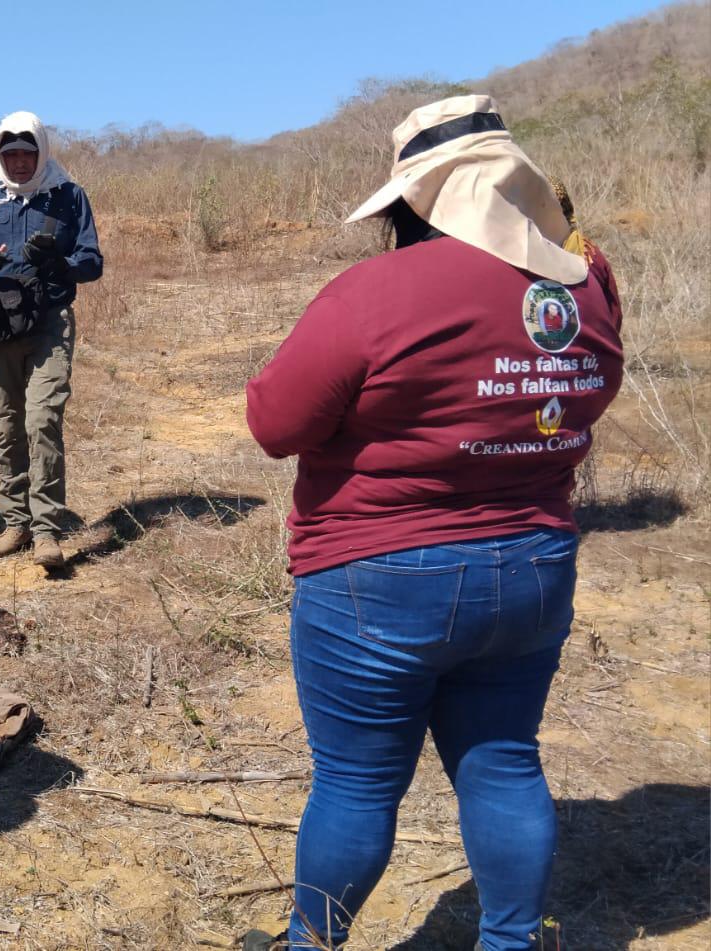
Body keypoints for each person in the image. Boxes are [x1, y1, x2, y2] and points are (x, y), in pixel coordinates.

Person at [242, 95, 624, 951]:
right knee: (502, 759)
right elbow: (593, 392)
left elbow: (274, 425)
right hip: (531, 565)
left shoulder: (374, 291)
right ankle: (512, 942)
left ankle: (309, 943)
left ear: (415, 199)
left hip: (375, 572)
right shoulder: (585, 287)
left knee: (353, 784)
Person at [0, 111, 102, 568]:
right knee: (8, 424)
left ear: (41, 152)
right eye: (9, 154)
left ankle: (47, 531)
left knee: (42, 420)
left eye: (26, 153)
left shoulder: (69, 197)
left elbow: (92, 261)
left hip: (50, 323)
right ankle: (15, 523)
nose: (17, 163)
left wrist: (60, 264)